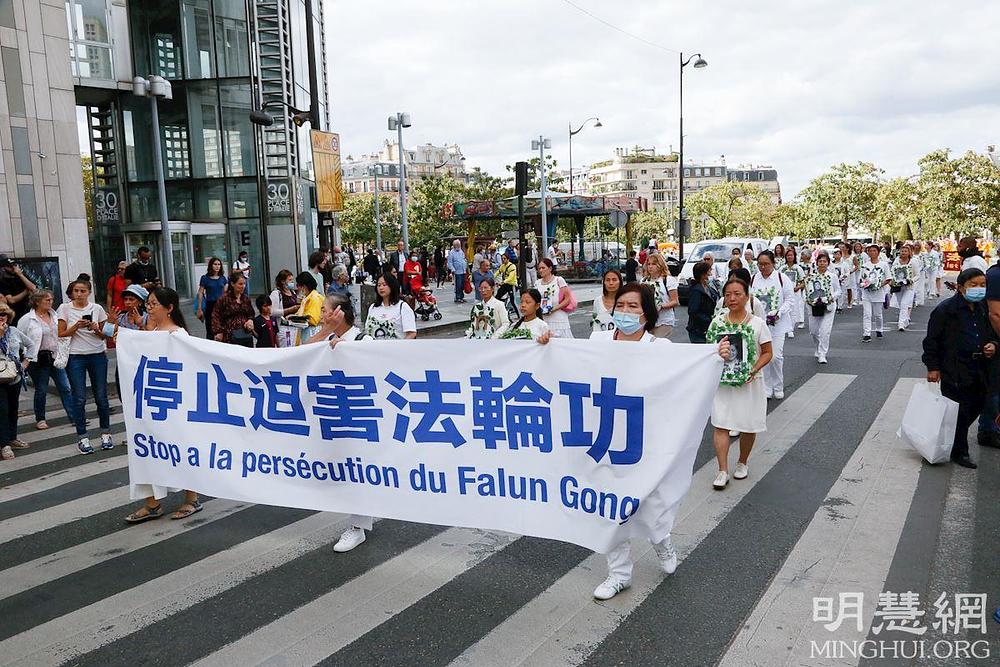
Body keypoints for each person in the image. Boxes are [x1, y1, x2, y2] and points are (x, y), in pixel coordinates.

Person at [545, 283, 730, 600]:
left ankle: (661, 538)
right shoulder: (599, 341)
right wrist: (547, 345)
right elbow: (569, 363)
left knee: (651, 501)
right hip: (604, 437)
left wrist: (715, 356)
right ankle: (619, 574)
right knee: (610, 506)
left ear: (647, 313)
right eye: (621, 305)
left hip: (645, 439)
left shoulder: (659, 347)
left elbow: (689, 374)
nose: (626, 312)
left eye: (634, 306)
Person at [124, 287, 202, 522]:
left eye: (154, 304)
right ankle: (152, 503)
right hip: (151, 402)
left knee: (181, 450)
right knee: (149, 450)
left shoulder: (179, 335)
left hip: (173, 404)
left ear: (169, 308)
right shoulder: (153, 332)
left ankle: (192, 498)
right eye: (148, 304)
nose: (149, 308)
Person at [922, 268, 996, 469]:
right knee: (960, 410)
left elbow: (990, 334)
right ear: (961, 287)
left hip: (979, 366)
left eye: (983, 285)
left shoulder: (982, 308)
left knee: (979, 404)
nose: (979, 289)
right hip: (954, 368)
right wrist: (932, 367)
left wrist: (993, 345)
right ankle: (960, 451)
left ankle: (951, 437)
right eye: (974, 285)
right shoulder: (946, 310)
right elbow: (931, 341)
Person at [707, 277, 774, 489]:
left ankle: (742, 462)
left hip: (749, 382)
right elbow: (709, 350)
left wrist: (753, 369)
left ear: (747, 297)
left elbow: (768, 352)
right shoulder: (717, 323)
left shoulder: (757, 324)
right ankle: (722, 470)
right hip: (724, 383)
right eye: (728, 295)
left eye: (737, 294)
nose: (732, 298)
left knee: (748, 424)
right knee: (721, 423)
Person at [57, 274, 114, 454]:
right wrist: (76, 326)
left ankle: (106, 434)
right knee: (79, 397)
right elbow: (61, 333)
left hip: (97, 355)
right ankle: (82, 437)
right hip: (76, 356)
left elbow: (105, 335)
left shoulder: (97, 308)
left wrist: (95, 328)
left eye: (83, 291)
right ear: (72, 292)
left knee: (101, 397)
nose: (79, 294)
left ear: (89, 292)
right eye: (76, 291)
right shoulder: (64, 308)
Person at [18, 290, 75, 432]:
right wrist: (27, 354)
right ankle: (41, 418)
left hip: (55, 356)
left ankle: (74, 416)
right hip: (38, 359)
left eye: (51, 299)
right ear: (37, 302)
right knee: (41, 389)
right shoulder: (27, 319)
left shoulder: (55, 316)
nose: (50, 302)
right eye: (47, 300)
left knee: (65, 387)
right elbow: (19, 338)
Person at [750, 251, 794, 399]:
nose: (763, 267)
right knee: (763, 356)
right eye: (760, 264)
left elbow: (789, 299)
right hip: (760, 325)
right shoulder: (753, 279)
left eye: (766, 264)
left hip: (777, 325)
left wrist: (779, 313)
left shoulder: (782, 278)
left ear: (773, 263)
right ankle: (767, 387)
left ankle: (778, 386)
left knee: (775, 356)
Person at [0, 302, 29, 460]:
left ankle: (12, 437)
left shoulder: (14, 331)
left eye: (3, 314)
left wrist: (26, 362)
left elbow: (31, 344)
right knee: (2, 410)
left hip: (14, 376)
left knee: (13, 409)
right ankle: (4, 445)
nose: (1, 317)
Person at [804, 251, 841, 364]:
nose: (822, 263)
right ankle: (817, 347)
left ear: (828, 263)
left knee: (825, 331)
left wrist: (830, 298)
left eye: (824, 261)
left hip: (828, 306)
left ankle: (822, 353)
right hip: (814, 307)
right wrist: (809, 300)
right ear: (816, 263)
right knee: (813, 331)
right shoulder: (811, 277)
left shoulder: (832, 276)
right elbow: (806, 290)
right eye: (820, 261)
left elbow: (838, 291)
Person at [365, 273, 417, 339]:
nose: (381, 288)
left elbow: (411, 333)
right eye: (379, 285)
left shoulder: (402, 307)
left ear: (392, 286)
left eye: (384, 285)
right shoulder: (373, 307)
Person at [211, 272, 255, 346]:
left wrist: (250, 321)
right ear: (232, 284)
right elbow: (216, 316)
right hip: (229, 334)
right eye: (240, 284)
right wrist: (218, 332)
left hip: (245, 334)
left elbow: (251, 314)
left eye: (244, 284)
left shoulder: (246, 299)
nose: (243, 286)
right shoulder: (224, 299)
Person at [642, 253, 679, 338]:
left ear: (660, 265)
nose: (650, 267)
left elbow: (675, 301)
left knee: (656, 343)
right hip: (647, 321)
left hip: (664, 321)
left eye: (653, 264)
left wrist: (661, 306)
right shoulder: (644, 281)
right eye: (648, 264)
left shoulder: (668, 280)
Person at [535, 258, 574, 338]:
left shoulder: (559, 280)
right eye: (539, 268)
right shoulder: (537, 283)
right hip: (544, 318)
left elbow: (567, 299)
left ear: (550, 268)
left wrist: (554, 309)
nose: (541, 270)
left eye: (543, 268)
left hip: (559, 318)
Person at [687, 260, 719, 343]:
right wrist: (708, 319)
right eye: (709, 272)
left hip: (707, 327)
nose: (710, 274)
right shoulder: (696, 291)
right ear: (703, 275)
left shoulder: (709, 287)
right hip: (698, 330)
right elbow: (693, 311)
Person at [196, 257, 227, 339]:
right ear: (211, 265)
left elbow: (226, 293)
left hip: (221, 305)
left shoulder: (222, 278)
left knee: (222, 326)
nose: (217, 266)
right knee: (210, 328)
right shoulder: (205, 278)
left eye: (219, 264)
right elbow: (200, 293)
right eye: (215, 264)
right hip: (210, 305)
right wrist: (199, 308)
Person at [0, 255, 37, 323]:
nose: (13, 268)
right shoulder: (3, 282)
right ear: (3, 268)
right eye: (9, 267)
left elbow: (33, 288)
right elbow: (11, 300)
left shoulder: (20, 277)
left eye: (14, 266)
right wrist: (26, 291)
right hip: (15, 313)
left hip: (27, 310)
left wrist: (20, 275)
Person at [890, 245, 918, 331]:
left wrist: (911, 280)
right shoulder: (896, 261)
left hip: (909, 287)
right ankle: (906, 319)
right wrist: (893, 281)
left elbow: (917, 275)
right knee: (900, 304)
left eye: (906, 251)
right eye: (902, 251)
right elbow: (892, 271)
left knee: (904, 304)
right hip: (898, 287)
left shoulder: (913, 262)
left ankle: (901, 324)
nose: (904, 253)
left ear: (909, 253)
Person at [781, 249, 805, 337]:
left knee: (794, 311)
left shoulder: (798, 268)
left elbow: (803, 282)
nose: (790, 257)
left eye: (791, 255)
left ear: (794, 257)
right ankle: (785, 328)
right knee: (785, 310)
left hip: (795, 292)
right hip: (784, 292)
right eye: (788, 255)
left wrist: (798, 287)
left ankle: (791, 329)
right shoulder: (782, 268)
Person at [591, 269, 622, 334]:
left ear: (620, 282)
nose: (611, 283)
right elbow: (595, 322)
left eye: (614, 280)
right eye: (607, 280)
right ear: (604, 282)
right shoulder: (598, 301)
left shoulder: (625, 301)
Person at [447, 240, 468, 304]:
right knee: (458, 285)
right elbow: (450, 262)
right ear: (454, 245)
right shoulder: (451, 253)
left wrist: (465, 264)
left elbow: (463, 259)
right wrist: (453, 269)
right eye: (457, 245)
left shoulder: (461, 251)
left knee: (462, 285)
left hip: (463, 270)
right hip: (457, 271)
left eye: (459, 245)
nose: (459, 246)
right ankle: (458, 297)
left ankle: (461, 297)